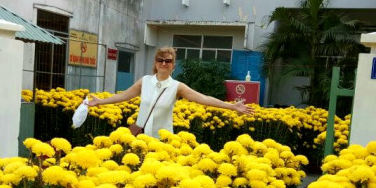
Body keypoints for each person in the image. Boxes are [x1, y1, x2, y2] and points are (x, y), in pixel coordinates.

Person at [87, 46, 255, 138]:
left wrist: (232, 107)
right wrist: (100, 101)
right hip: (140, 138)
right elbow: (123, 96)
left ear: (173, 65)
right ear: (155, 63)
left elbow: (203, 98)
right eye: (160, 60)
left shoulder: (177, 87)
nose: (164, 63)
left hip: (162, 141)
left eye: (168, 61)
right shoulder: (144, 81)